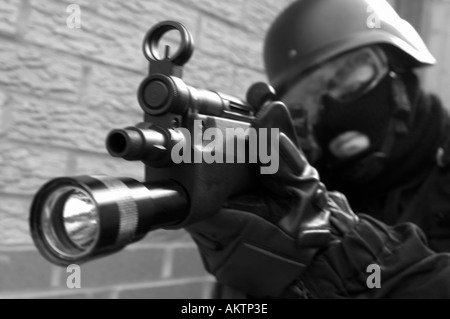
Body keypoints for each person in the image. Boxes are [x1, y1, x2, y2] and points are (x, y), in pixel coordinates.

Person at [185, 0, 450, 298]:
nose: (332, 109)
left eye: (348, 77)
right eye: (307, 102)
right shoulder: (297, 199)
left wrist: (356, 266)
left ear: (399, 71)